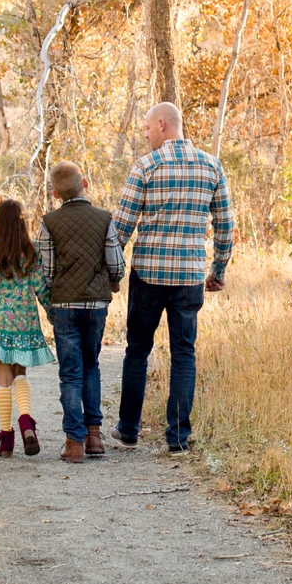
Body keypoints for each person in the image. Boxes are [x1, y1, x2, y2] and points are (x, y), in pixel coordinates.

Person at [106, 102, 232, 454]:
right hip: (190, 275)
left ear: (162, 125)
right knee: (183, 353)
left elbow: (120, 229)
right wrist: (217, 271)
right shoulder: (212, 166)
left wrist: (112, 274)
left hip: (148, 275)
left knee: (137, 351)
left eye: (147, 128)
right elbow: (225, 226)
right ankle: (177, 437)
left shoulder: (146, 166)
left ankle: (128, 430)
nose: (145, 135)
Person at [37, 160, 117, 462]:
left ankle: (74, 442)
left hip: (64, 305)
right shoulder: (104, 218)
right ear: (85, 184)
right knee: (91, 365)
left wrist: (51, 304)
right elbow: (116, 262)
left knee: (70, 373)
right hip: (96, 305)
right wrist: (113, 281)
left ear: (56, 195)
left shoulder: (49, 222)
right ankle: (94, 435)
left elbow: (47, 271)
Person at [0, 199, 55, 458]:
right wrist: (52, 313)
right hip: (26, 324)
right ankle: (25, 422)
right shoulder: (32, 251)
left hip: (1, 325)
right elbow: (42, 288)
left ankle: (6, 440)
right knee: (21, 374)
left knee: (3, 378)